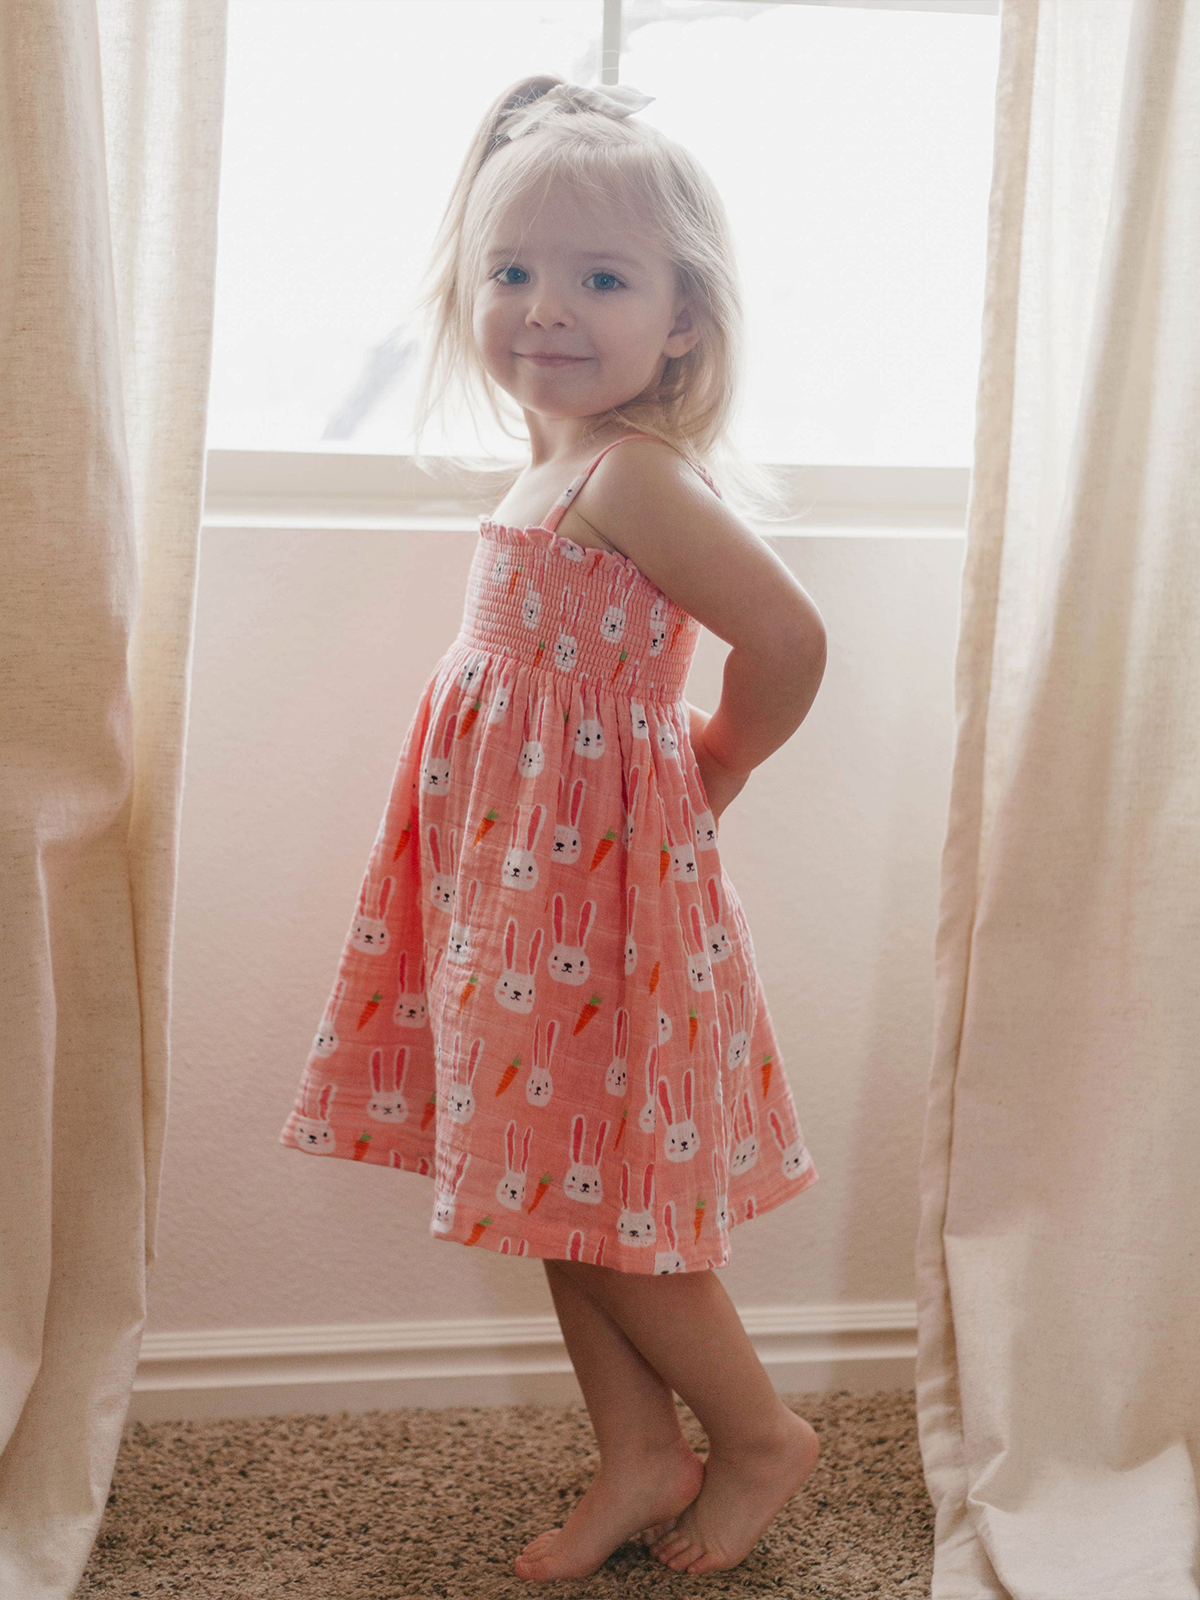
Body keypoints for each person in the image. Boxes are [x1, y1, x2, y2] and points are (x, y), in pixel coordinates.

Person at [279, 74, 828, 1582]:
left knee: (581, 1182)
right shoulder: (549, 468)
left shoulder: (630, 475)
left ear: (685, 319)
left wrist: (715, 768)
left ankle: (756, 1432)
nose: (546, 307)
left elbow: (788, 640)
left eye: (602, 279)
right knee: (543, 1176)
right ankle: (639, 1451)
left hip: (594, 904)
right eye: (513, 269)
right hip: (511, 888)